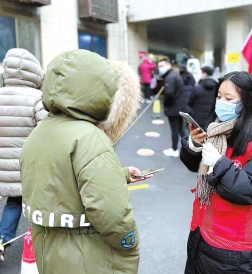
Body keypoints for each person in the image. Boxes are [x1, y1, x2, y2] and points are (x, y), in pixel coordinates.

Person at [20, 50, 151, 274]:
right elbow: (110, 212)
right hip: (86, 255)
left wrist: (123, 174)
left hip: (48, 248)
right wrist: (128, 243)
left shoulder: (40, 132)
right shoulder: (90, 137)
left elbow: (61, 182)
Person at [180, 72, 252, 274]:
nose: (221, 102)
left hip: (232, 247)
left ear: (247, 102)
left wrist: (219, 162)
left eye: (229, 98)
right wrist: (194, 144)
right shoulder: (217, 129)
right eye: (219, 96)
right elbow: (193, 165)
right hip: (201, 230)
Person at [0, 49, 47, 262]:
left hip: (2, 164)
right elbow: (47, 131)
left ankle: (2, 239)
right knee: (35, 201)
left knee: (13, 201)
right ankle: (41, 242)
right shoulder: (38, 98)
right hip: (27, 165)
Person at [158, 57, 186, 157]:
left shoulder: (170, 77)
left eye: (162, 66)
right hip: (179, 106)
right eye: (159, 66)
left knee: (175, 128)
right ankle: (188, 148)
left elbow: (169, 94)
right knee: (180, 129)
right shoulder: (174, 75)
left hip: (174, 107)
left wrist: (165, 105)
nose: (160, 68)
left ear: (168, 65)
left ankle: (174, 149)